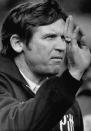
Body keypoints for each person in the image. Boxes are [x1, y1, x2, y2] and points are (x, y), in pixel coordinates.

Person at [0, 0, 91, 130]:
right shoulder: (66, 87)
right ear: (18, 43)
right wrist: (72, 77)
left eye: (64, 39)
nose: (62, 47)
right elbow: (15, 125)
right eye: (50, 37)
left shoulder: (66, 94)